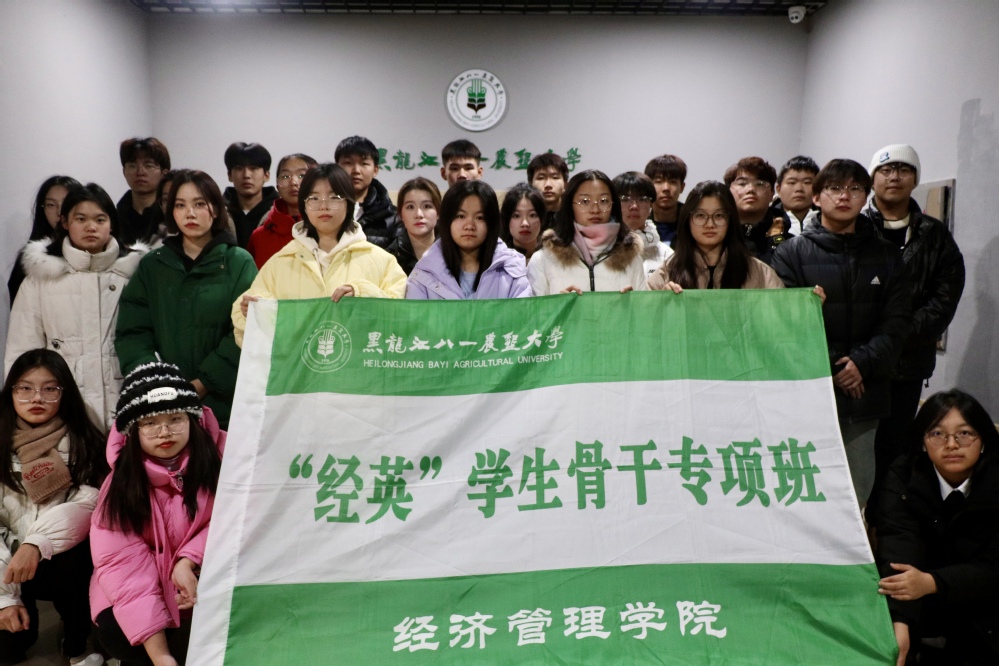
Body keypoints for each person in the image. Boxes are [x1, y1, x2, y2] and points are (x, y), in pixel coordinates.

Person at [771, 159, 911, 508]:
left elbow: (896, 321)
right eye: (834, 188)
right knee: (799, 483)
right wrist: (837, 366)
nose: (844, 196)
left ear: (865, 196)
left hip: (866, 389)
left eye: (854, 189)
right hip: (809, 387)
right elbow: (785, 324)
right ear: (817, 197)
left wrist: (861, 362)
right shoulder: (791, 253)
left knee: (856, 489)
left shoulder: (887, 255)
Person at [90, 362, 224, 666]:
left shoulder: (226, 456)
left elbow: (244, 518)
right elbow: (123, 567)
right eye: (149, 423)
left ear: (193, 419)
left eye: (175, 418)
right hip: (141, 583)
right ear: (132, 431)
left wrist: (189, 559)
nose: (164, 432)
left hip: (208, 569)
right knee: (123, 638)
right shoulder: (119, 485)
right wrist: (160, 655)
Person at [863, 144, 966, 527]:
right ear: (873, 178)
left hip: (907, 365)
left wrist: (897, 335)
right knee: (855, 448)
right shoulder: (856, 226)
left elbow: (945, 296)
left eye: (903, 170)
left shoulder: (934, 235)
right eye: (886, 170)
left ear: (915, 179)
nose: (894, 177)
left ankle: (885, 527)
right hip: (857, 365)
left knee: (895, 450)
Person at [115, 170, 257, 430]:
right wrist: (157, 382)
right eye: (180, 205)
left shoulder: (238, 262)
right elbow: (132, 333)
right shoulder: (153, 265)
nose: (190, 213)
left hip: (225, 403)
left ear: (216, 208)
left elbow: (245, 332)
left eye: (199, 204)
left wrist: (204, 383)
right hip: (164, 405)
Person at [6, 184, 149, 432]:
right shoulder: (41, 278)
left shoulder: (135, 274)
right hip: (63, 410)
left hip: (128, 405)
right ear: (64, 222)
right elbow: (23, 352)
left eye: (100, 219)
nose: (91, 227)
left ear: (111, 224)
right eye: (81, 219)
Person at [876, 389, 999, 666]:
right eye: (937, 434)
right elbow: (899, 544)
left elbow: (994, 567)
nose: (952, 444)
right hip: (923, 608)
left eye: (964, 433)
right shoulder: (904, 473)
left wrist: (932, 583)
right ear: (922, 441)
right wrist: (900, 622)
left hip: (987, 611)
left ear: (983, 440)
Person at [0, 349, 107, 666]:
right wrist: (4, 598)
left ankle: (76, 643)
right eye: (25, 388)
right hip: (7, 559)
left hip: (59, 556)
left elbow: (88, 503)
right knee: (7, 650)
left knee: (78, 560)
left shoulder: (84, 440)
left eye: (50, 388)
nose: (37, 398)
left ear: (64, 392)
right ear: (11, 391)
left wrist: (36, 543)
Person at [233, 163, 406, 346]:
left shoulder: (381, 261)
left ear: (349, 203)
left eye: (334, 197)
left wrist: (365, 295)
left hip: (359, 363)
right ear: (304, 205)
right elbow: (242, 320)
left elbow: (402, 318)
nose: (324, 206)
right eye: (314, 198)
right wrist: (252, 311)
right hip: (298, 364)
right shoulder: (281, 262)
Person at [528, 169, 647, 295]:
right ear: (570, 205)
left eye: (604, 201)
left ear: (613, 205)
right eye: (584, 201)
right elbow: (534, 307)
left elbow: (643, 306)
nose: (595, 209)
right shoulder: (543, 258)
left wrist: (632, 303)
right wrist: (559, 303)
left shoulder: (631, 257)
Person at [648, 181, 782, 291]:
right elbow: (645, 312)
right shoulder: (667, 272)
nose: (710, 224)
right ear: (687, 220)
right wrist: (663, 303)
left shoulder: (760, 272)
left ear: (730, 220)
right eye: (700, 215)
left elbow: (778, 313)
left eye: (719, 216)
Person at [406, 180, 530, 300]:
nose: (469, 226)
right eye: (461, 216)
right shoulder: (424, 272)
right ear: (447, 220)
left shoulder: (512, 270)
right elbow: (414, 314)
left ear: (491, 223)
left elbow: (523, 312)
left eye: (480, 217)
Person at [8, 176, 82, 303]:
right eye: (51, 205)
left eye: (66, 203)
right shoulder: (31, 259)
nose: (59, 212)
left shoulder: (97, 251)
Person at [246, 153, 317, 269]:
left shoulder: (328, 231)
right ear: (277, 186)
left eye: (302, 175)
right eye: (285, 176)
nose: (293, 182)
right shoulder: (260, 237)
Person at [335, 136, 396, 250]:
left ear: (375, 170)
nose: (356, 170)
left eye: (364, 163)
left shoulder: (392, 216)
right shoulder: (323, 209)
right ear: (336, 168)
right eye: (348, 163)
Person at [724, 156, 788, 263]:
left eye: (760, 184)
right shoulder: (714, 238)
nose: (751, 189)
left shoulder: (790, 244)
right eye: (742, 184)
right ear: (728, 192)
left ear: (772, 193)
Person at [612, 172, 673, 278]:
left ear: (651, 205)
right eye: (625, 199)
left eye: (642, 199)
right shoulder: (601, 249)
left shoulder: (666, 254)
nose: (634, 206)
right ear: (613, 205)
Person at [117, 138, 171, 247]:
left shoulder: (172, 216)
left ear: (164, 173)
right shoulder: (113, 217)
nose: (140, 172)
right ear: (124, 172)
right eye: (132, 165)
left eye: (148, 166)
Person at [223, 142, 278, 249]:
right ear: (229, 175)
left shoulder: (280, 211)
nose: (246, 175)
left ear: (266, 175)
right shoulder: (216, 212)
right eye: (239, 168)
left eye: (253, 168)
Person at [387, 177, 441, 275]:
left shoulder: (452, 253)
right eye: (410, 207)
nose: (419, 214)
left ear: (438, 213)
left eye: (427, 206)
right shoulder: (389, 258)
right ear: (400, 215)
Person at [644, 154, 687, 246]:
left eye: (673, 182)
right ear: (649, 186)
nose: (666, 188)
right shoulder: (640, 222)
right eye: (659, 182)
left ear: (682, 187)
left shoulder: (692, 222)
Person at [773, 156, 819, 237]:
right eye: (792, 182)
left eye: (807, 182)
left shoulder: (828, 221)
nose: (799, 189)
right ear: (778, 189)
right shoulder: (766, 221)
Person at [498, 183, 545, 262]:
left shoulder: (552, 256)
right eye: (516, 216)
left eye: (532, 215)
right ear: (506, 219)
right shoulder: (497, 258)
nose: (525, 223)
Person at [527, 153, 568, 229]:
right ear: (530, 184)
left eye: (555, 177)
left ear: (565, 184)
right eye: (541, 178)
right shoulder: (523, 216)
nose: (548, 185)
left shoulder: (574, 215)